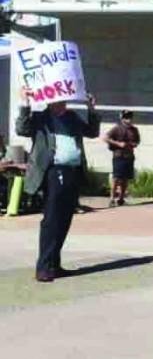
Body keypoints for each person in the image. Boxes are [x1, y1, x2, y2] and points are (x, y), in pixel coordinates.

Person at [15, 87, 100, 282]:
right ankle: (43, 267)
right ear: (49, 100)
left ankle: (54, 264)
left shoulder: (72, 117)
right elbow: (22, 129)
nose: (62, 102)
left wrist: (92, 109)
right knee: (52, 219)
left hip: (72, 172)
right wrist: (25, 104)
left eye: (64, 100)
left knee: (65, 219)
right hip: (53, 172)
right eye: (58, 100)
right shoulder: (40, 118)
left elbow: (92, 132)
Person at [102, 109, 141, 207]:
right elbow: (105, 138)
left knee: (125, 178)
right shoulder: (117, 128)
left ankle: (121, 199)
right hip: (118, 156)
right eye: (126, 117)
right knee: (116, 178)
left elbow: (137, 141)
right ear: (122, 118)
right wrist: (118, 143)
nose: (128, 119)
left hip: (129, 156)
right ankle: (112, 199)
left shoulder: (134, 129)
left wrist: (132, 144)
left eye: (130, 117)